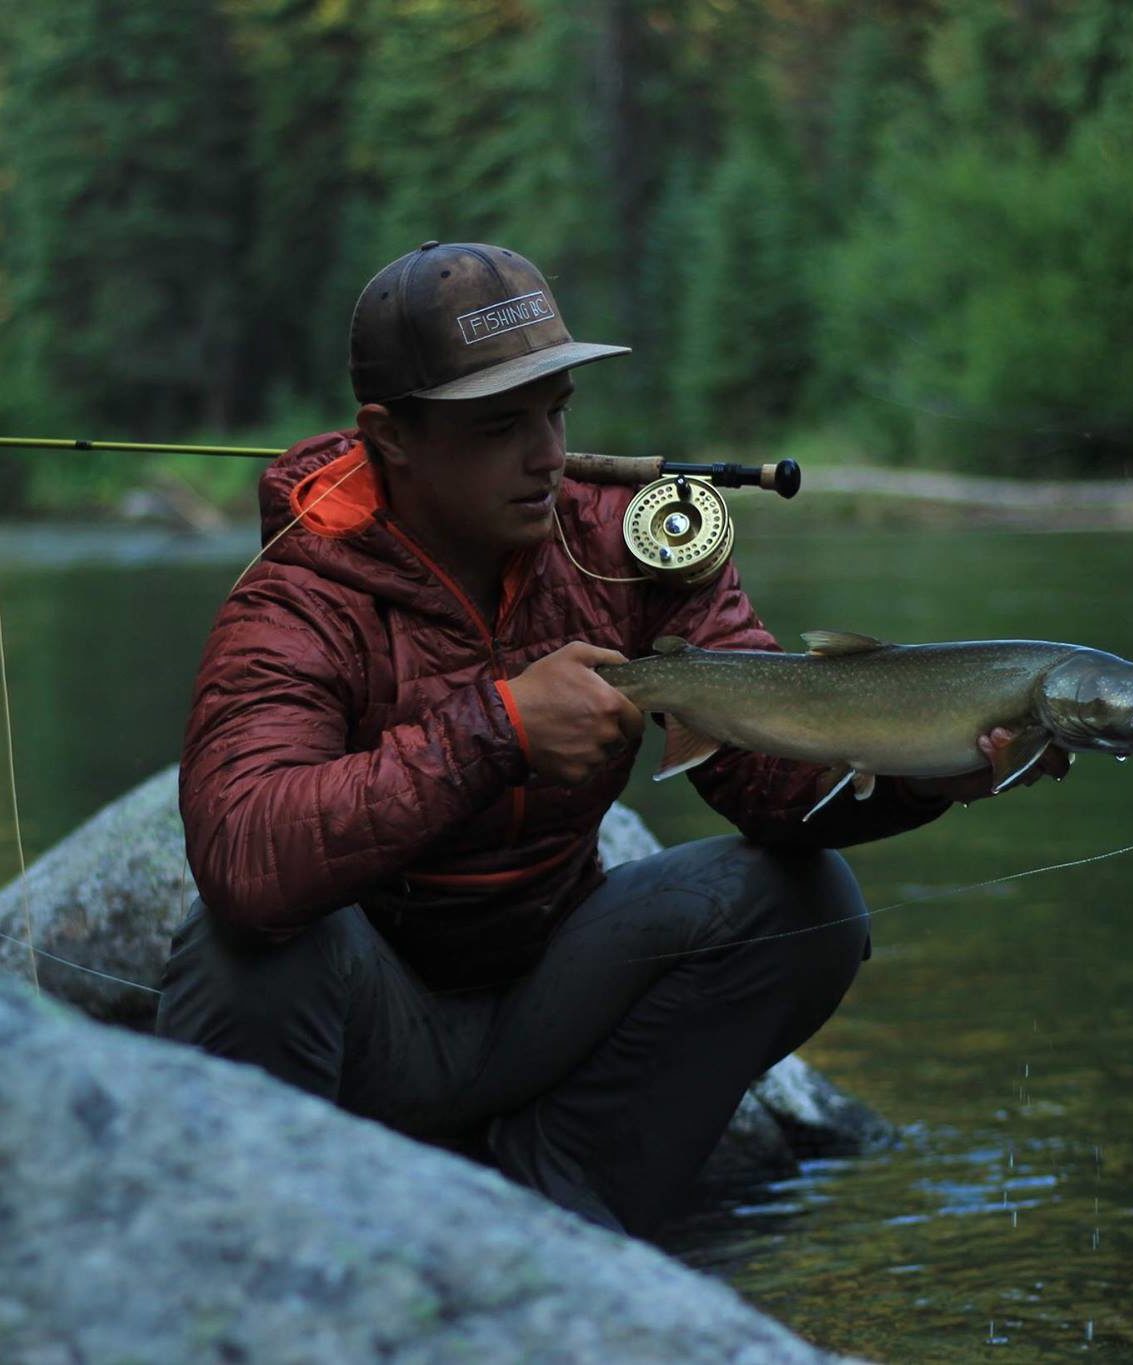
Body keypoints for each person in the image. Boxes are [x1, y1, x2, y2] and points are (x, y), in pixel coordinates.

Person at [157, 241, 1065, 1237]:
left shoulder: (628, 544)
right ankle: (269, 1251)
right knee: (241, 950)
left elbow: (766, 789)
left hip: (551, 995)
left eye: (557, 412)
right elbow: (241, 855)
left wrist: (929, 766)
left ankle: (559, 1217)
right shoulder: (295, 598)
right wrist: (494, 729)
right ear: (393, 436)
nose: (546, 455)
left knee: (802, 905)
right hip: (374, 1022)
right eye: (503, 426)